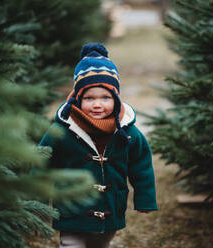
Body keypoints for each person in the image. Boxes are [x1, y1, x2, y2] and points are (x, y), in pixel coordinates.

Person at [39, 43, 158, 248]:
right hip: (72, 209)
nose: (97, 104)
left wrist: (145, 199)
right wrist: (37, 201)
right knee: (71, 243)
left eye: (105, 97)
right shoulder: (63, 129)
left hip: (110, 207)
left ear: (116, 99)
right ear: (77, 99)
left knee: (102, 242)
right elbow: (41, 161)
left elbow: (141, 166)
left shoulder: (127, 132)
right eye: (89, 98)